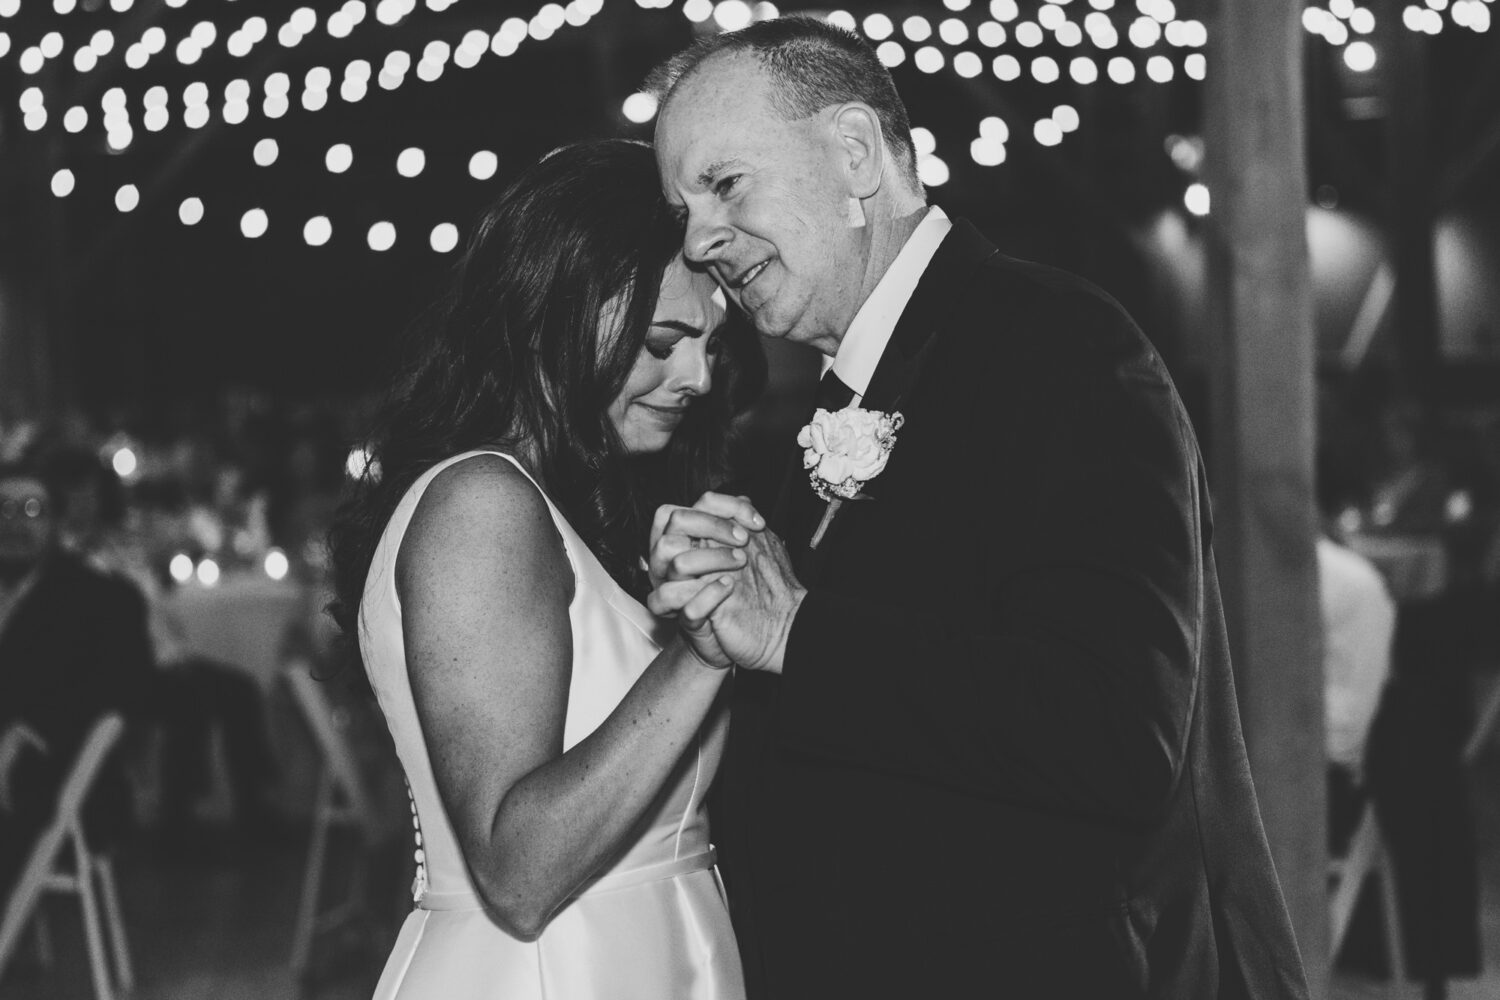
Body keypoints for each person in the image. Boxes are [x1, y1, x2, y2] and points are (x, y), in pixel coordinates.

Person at [644, 18, 1310, 999]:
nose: (699, 239)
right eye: (683, 207)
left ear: (856, 154)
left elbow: (1114, 733)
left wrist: (795, 629)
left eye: (725, 184)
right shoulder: (833, 404)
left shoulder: (1059, 352)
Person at [327, 139, 763, 1000]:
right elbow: (518, 873)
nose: (697, 377)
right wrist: (704, 648)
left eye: (710, 345)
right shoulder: (481, 504)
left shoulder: (580, 507)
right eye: (664, 341)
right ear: (553, 313)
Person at [0, 453, 154, 903]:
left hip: (52, 776)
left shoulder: (99, 598)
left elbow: (125, 688)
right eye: (4, 510)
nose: (15, 523)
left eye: (31, 510)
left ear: (56, 521)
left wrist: (27, 734)